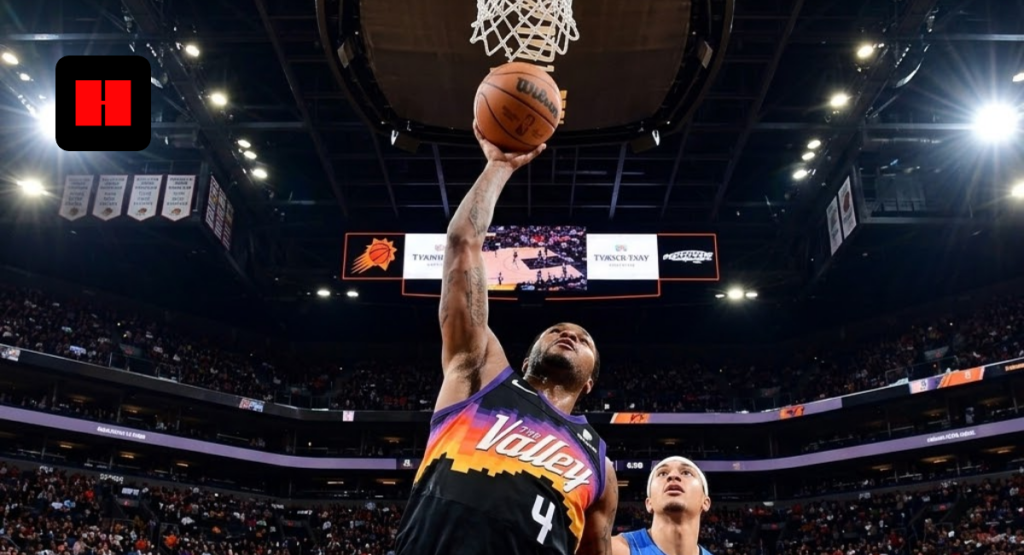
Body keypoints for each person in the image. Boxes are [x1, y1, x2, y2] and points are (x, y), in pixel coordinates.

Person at [395, 124, 618, 555]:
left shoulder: (601, 468)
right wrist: (497, 167)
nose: (568, 333)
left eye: (583, 338)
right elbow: (463, 243)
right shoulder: (480, 372)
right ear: (530, 352)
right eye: (555, 330)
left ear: (590, 382)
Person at [612, 457, 713, 555]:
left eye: (686, 473)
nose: (673, 475)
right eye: (662, 473)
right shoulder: (616, 549)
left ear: (705, 502)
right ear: (648, 503)